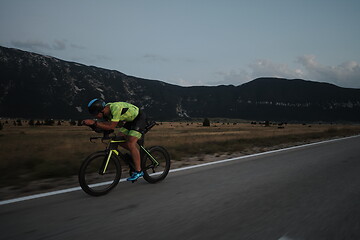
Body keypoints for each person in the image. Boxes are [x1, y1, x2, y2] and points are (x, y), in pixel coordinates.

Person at [83, 98, 147, 181]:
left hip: (139, 118)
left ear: (101, 110)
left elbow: (111, 127)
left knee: (131, 143)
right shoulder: (106, 113)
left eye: (95, 114)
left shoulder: (115, 108)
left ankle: (139, 171)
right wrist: (91, 125)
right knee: (118, 139)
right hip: (130, 121)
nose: (95, 117)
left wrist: (94, 123)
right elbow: (105, 127)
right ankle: (135, 154)